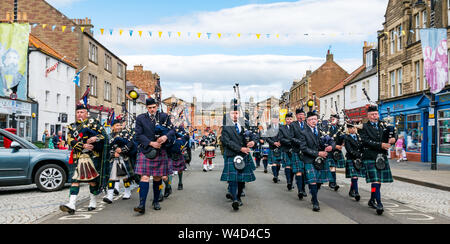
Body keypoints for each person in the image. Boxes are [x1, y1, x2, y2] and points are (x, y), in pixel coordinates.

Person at [59, 103, 109, 215]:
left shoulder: (94, 124)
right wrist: (83, 146)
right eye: (77, 112)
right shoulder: (72, 127)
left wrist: (95, 138)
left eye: (82, 112)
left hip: (93, 155)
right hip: (80, 156)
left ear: (87, 113)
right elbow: (70, 140)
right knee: (75, 180)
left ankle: (93, 201)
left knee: (92, 181)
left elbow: (104, 136)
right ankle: (71, 204)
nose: (79, 114)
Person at [133, 98, 175, 214]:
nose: (152, 109)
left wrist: (165, 137)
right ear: (146, 108)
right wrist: (151, 143)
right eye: (149, 108)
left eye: (153, 107)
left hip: (160, 151)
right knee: (144, 177)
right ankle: (141, 204)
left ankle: (156, 201)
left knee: (157, 177)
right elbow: (138, 135)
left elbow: (172, 131)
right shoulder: (141, 118)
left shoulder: (163, 116)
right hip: (146, 149)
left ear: (157, 106)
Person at [359, 105, 396, 215]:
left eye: (376, 114)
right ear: (368, 116)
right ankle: (379, 203)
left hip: (381, 156)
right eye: (373, 114)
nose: (375, 116)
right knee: (375, 180)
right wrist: (381, 145)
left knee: (378, 182)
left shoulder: (383, 125)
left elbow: (393, 134)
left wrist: (394, 139)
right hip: (370, 156)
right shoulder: (364, 127)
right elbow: (365, 141)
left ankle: (372, 199)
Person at [220, 104, 256, 211]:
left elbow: (254, 134)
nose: (235, 115)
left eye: (237, 113)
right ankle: (235, 199)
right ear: (229, 114)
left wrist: (253, 141)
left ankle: (239, 196)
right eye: (232, 113)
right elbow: (226, 141)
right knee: (233, 178)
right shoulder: (226, 126)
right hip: (232, 154)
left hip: (243, 155)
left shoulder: (245, 124)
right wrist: (240, 148)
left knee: (241, 179)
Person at [298, 111, 334, 212]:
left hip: (322, 160)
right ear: (307, 121)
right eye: (311, 120)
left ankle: (314, 194)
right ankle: (315, 201)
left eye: (315, 119)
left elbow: (331, 141)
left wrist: (332, 146)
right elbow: (303, 148)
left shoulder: (322, 130)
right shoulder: (303, 133)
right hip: (310, 159)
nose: (313, 121)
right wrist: (318, 153)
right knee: (313, 181)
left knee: (319, 182)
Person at [103, 119, 137, 204]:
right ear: (112, 127)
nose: (119, 127)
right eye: (117, 125)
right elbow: (107, 148)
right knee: (111, 177)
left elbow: (130, 144)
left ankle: (127, 192)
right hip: (113, 159)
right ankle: (110, 196)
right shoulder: (109, 136)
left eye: (120, 125)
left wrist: (121, 150)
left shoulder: (126, 134)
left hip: (124, 158)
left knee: (125, 177)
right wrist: (113, 153)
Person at [344, 122, 365, 202]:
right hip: (351, 158)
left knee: (355, 177)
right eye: (351, 128)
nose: (353, 129)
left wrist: (362, 154)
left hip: (359, 159)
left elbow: (362, 146)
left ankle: (351, 191)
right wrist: (358, 155)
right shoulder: (347, 138)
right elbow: (349, 150)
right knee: (354, 176)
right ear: (348, 129)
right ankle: (356, 192)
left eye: (354, 128)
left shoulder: (358, 137)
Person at [325, 114, 344, 191]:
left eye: (334, 119)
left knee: (333, 167)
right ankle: (332, 183)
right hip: (330, 150)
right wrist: (335, 146)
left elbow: (342, 138)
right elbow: (326, 139)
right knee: (331, 167)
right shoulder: (326, 128)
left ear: (338, 120)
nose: (333, 120)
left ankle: (332, 182)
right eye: (331, 118)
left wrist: (342, 144)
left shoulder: (340, 128)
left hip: (337, 151)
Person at [292, 108, 307, 198]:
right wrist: (300, 142)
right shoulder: (293, 125)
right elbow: (291, 137)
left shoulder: (307, 124)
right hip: (297, 150)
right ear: (296, 116)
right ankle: (300, 190)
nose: (301, 116)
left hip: (306, 151)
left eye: (302, 114)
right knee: (298, 171)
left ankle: (304, 189)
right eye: (299, 114)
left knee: (305, 171)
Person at [265, 114, 282, 183]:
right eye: (273, 119)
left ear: (278, 120)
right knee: (274, 163)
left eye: (276, 119)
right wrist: (274, 143)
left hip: (280, 147)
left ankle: (276, 174)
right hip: (272, 147)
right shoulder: (269, 127)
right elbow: (267, 138)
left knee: (278, 164)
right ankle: (275, 176)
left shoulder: (282, 127)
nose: (275, 121)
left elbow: (284, 135)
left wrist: (280, 142)